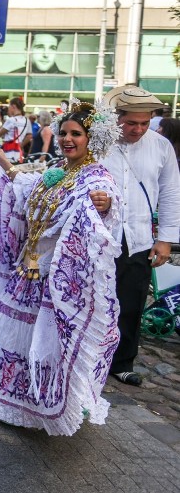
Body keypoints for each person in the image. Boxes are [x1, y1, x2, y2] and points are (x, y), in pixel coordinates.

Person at [0, 100, 121, 435]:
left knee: (46, 342)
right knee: (20, 340)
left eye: (76, 133)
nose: (67, 139)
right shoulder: (61, 172)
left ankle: (48, 404)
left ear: (92, 139)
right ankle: (18, 401)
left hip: (55, 279)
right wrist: (2, 160)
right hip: (27, 272)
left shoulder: (96, 178)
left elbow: (104, 222)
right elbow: (26, 185)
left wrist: (105, 207)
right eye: (63, 133)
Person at [101, 86, 180, 386]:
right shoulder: (98, 143)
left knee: (131, 302)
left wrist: (165, 239)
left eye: (144, 123)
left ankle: (122, 362)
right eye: (131, 123)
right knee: (94, 301)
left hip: (138, 238)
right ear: (116, 118)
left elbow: (172, 193)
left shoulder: (161, 147)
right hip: (99, 237)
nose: (138, 129)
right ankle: (89, 359)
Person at [0, 97, 29, 162]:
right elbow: (29, 136)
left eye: (9, 106)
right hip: (19, 151)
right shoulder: (26, 120)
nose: (8, 108)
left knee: (7, 169)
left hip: (9, 151)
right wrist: (21, 145)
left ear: (13, 106)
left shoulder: (11, 120)